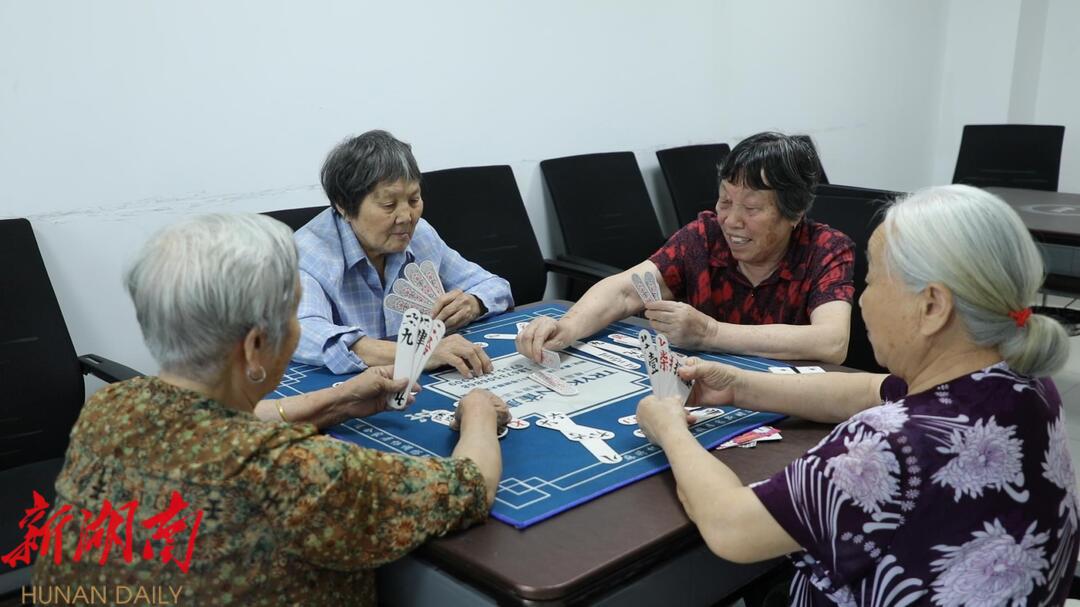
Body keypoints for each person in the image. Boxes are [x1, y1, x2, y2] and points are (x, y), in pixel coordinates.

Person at [33, 214, 510, 606]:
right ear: (255, 347)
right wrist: (478, 412)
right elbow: (469, 487)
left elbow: (208, 429)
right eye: (294, 315)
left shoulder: (109, 408)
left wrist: (338, 400)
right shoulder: (295, 472)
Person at [636, 185, 1078, 605]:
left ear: (932, 306)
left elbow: (731, 526)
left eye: (875, 281)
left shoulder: (888, 444)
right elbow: (869, 389)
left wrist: (671, 430)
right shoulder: (1023, 379)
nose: (862, 301)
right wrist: (738, 386)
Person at [517, 131, 853, 366]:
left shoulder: (825, 249)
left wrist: (710, 333)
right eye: (725, 201)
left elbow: (831, 342)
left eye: (751, 209)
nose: (731, 221)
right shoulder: (703, 237)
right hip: (710, 391)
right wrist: (567, 327)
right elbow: (625, 291)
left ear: (795, 213)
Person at [294, 130, 513, 377]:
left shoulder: (420, 235)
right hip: (351, 386)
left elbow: (495, 286)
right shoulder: (306, 254)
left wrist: (473, 304)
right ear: (343, 205)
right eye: (389, 205)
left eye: (414, 200)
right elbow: (301, 333)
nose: (406, 217)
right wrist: (418, 351)